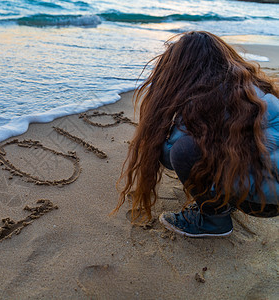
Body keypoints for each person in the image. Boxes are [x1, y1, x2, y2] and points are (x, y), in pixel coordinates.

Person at [113, 31, 279, 237]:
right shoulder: (253, 87)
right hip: (273, 195)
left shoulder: (203, 100)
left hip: (260, 201)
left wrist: (163, 127)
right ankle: (228, 197)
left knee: (184, 151)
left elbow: (170, 154)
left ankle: (213, 221)